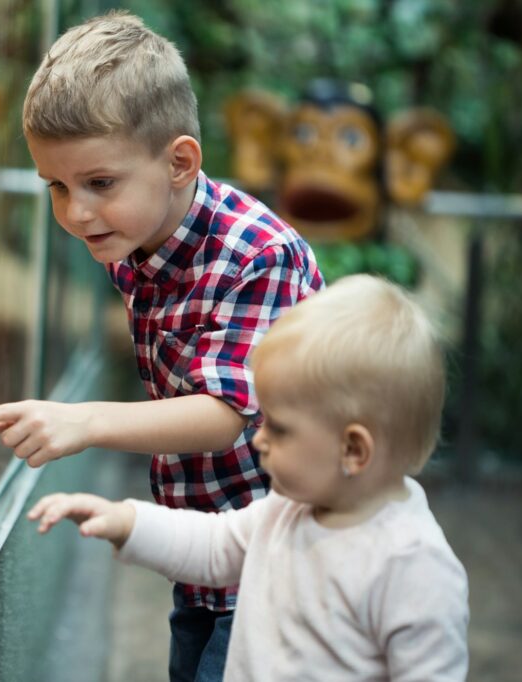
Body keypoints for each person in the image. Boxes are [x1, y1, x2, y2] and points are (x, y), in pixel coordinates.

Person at [0, 11, 323, 680]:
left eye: (100, 183)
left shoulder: (259, 256)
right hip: (203, 568)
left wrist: (84, 418)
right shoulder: (135, 238)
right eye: (57, 187)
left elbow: (222, 415)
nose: (76, 213)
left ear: (180, 161)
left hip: (280, 574)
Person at [29, 274, 470, 681]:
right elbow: (213, 544)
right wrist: (126, 522)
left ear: (353, 450)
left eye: (278, 427)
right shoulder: (288, 510)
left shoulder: (411, 565)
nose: (259, 439)